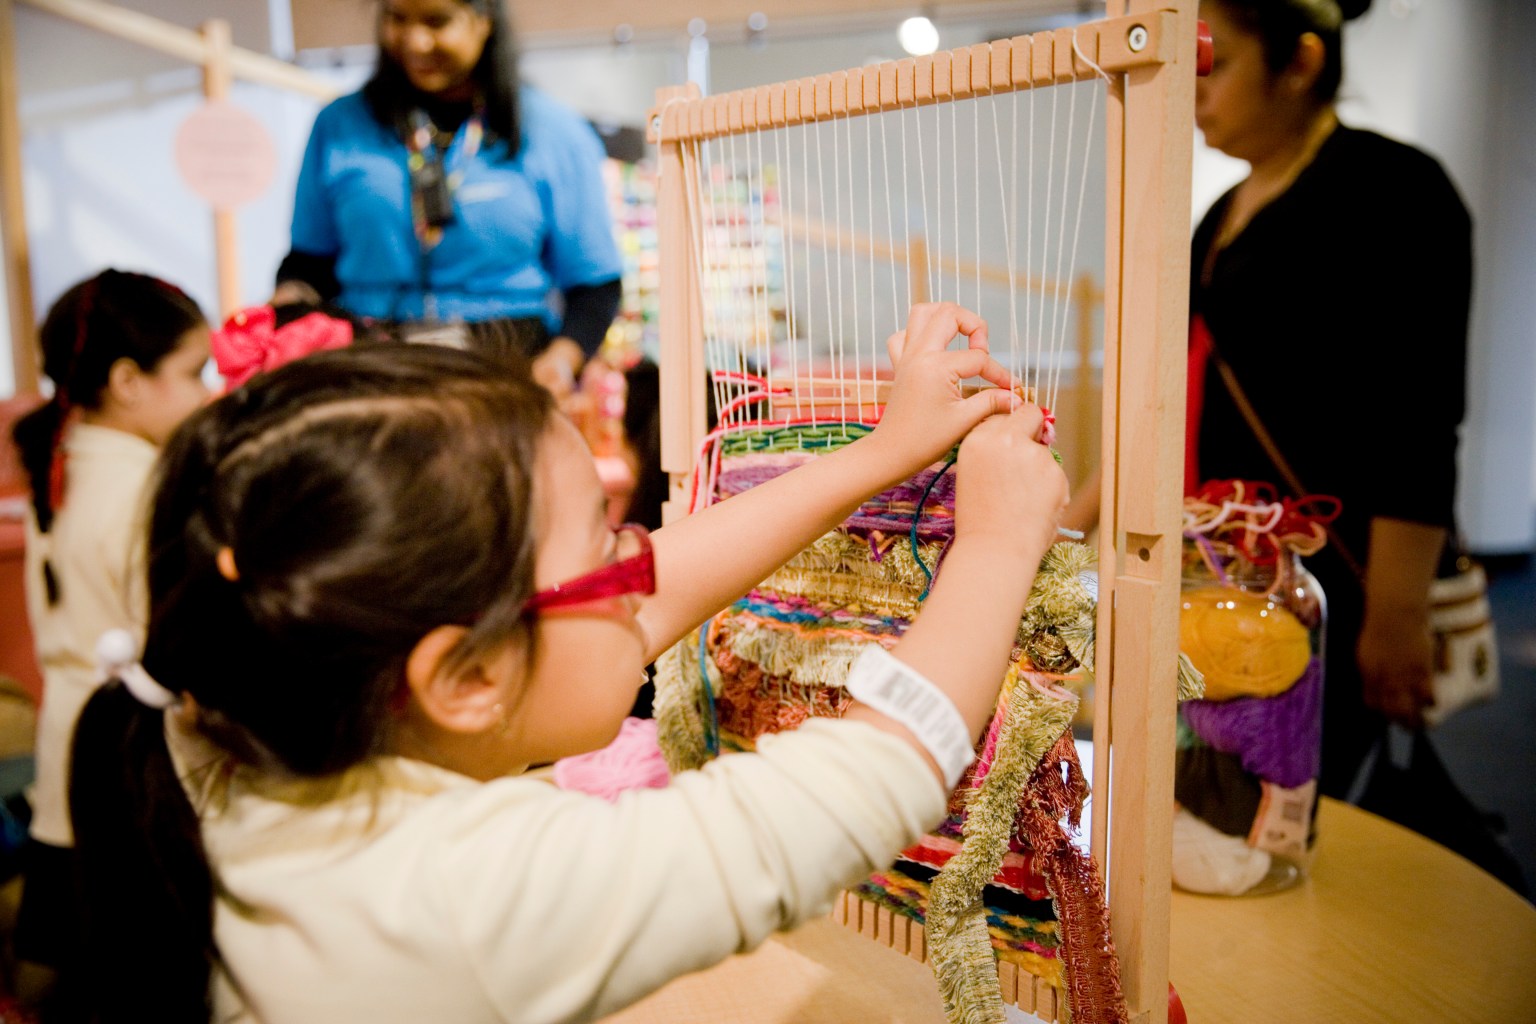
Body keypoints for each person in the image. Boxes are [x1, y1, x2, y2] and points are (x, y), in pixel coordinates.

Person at [66, 303, 1068, 1023]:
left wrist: (887, 448)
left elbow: (641, 595)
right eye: (606, 545)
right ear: (464, 680)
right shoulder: (454, 899)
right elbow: (856, 785)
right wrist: (994, 543)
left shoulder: (254, 728)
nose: (640, 563)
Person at [1189, 0, 1471, 796]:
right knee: (1219, 786)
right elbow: (1177, 388)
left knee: (1317, 796)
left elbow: (1421, 414)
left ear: (1301, 64)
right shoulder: (1217, 217)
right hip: (1229, 563)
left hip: (1343, 576)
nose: (1196, 91)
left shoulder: (1397, 189)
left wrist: (1395, 614)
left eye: (1219, 64)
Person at [8, 269, 210, 1009]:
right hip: (130, 759)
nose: (208, 392)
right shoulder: (144, 490)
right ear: (127, 380)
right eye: (194, 373)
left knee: (53, 943)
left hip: (69, 739)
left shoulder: (62, 471)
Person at [272, 0, 622, 398]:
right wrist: (287, 309)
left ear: (483, 19)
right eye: (397, 18)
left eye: (437, 22)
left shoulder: (552, 131)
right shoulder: (339, 127)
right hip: (369, 369)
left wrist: (560, 361)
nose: (415, 41)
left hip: (505, 369)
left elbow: (595, 284)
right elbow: (309, 263)